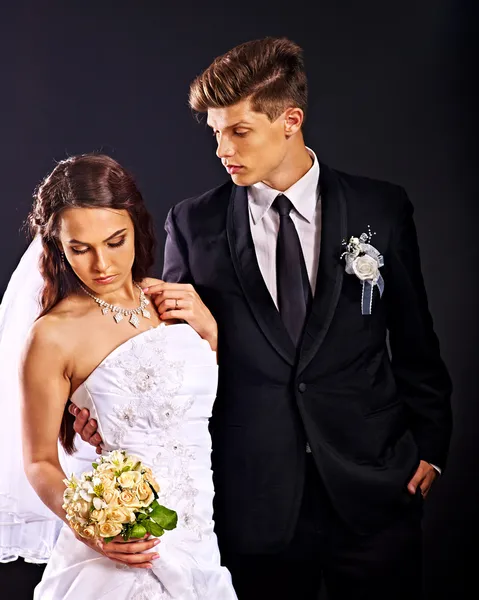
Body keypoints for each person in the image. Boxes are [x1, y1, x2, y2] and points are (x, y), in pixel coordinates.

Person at [73, 38, 453, 599]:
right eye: (215, 133)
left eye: (239, 130)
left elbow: (416, 336)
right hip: (252, 494)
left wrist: (431, 446)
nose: (222, 148)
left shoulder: (381, 208)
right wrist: (98, 399)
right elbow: (167, 355)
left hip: (374, 483)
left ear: (290, 121)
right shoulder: (193, 223)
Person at [9, 153, 237, 599]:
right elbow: (38, 461)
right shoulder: (53, 336)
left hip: (200, 542)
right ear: (57, 246)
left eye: (116, 241)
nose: (102, 265)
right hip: (121, 549)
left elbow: (202, 407)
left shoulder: (173, 304)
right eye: (80, 249)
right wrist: (94, 529)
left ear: (136, 226)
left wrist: (209, 332)